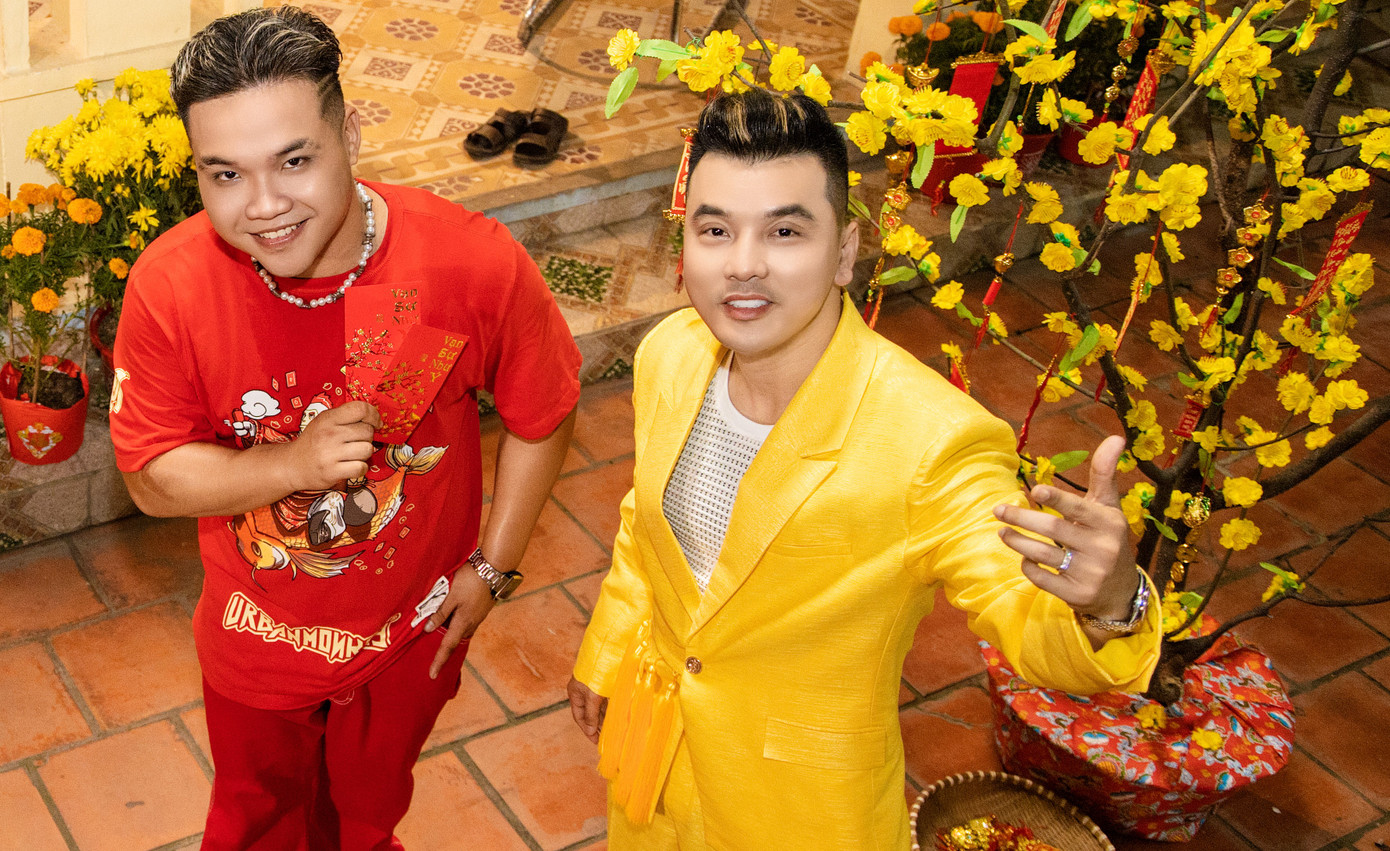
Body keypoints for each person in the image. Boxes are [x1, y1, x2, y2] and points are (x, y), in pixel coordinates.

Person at [565, 89, 1162, 850]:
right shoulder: (671, 354)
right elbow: (643, 525)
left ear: (845, 251)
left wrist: (1110, 603)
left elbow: (1019, 605)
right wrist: (608, 647)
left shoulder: (932, 441)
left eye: (785, 231)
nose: (743, 265)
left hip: (802, 814)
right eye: (715, 230)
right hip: (652, 769)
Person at [109, 7, 581, 849]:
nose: (264, 206)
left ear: (351, 135)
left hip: (411, 636)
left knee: (367, 813)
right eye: (225, 173)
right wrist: (295, 463)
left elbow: (544, 408)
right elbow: (151, 477)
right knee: (256, 817)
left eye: (294, 160)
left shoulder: (468, 263)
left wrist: (492, 567)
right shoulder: (172, 286)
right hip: (256, 636)